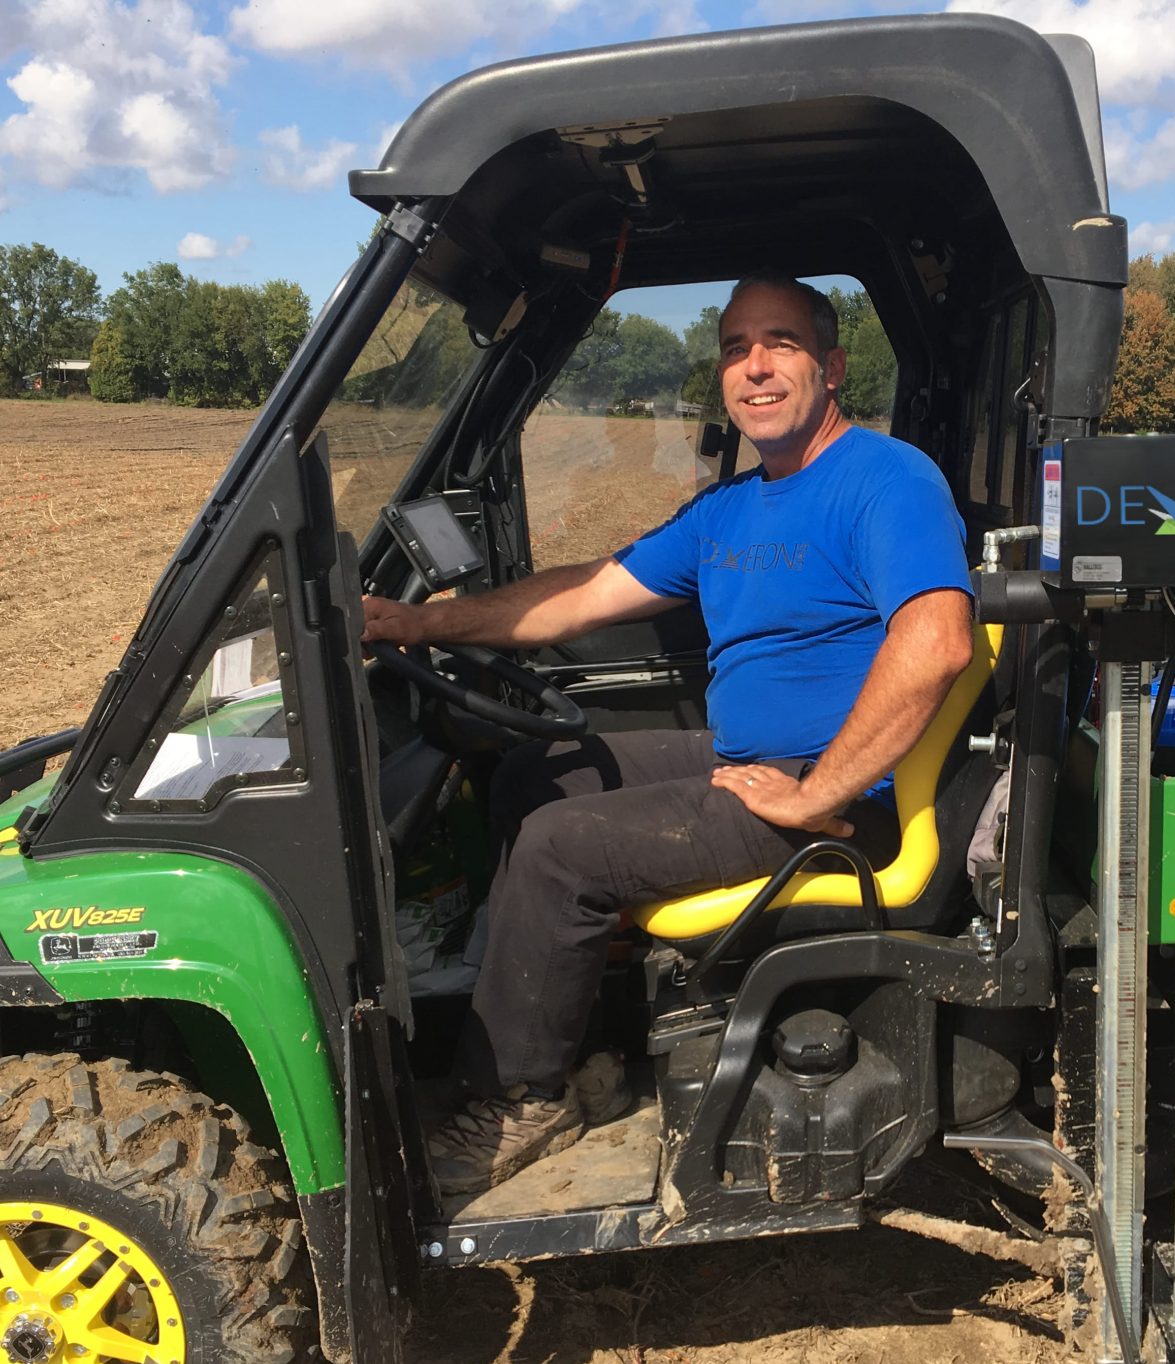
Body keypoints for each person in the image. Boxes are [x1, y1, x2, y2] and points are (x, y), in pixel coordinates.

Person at [360, 273, 976, 1196]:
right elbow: (584, 596)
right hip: (753, 764)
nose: (755, 367)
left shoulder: (884, 479)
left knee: (560, 849)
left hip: (837, 799)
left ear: (833, 366)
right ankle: (572, 1037)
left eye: (781, 344)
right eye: (735, 348)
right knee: (539, 775)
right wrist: (413, 624)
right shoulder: (730, 508)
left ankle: (522, 1096)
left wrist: (818, 794)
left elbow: (936, 643)